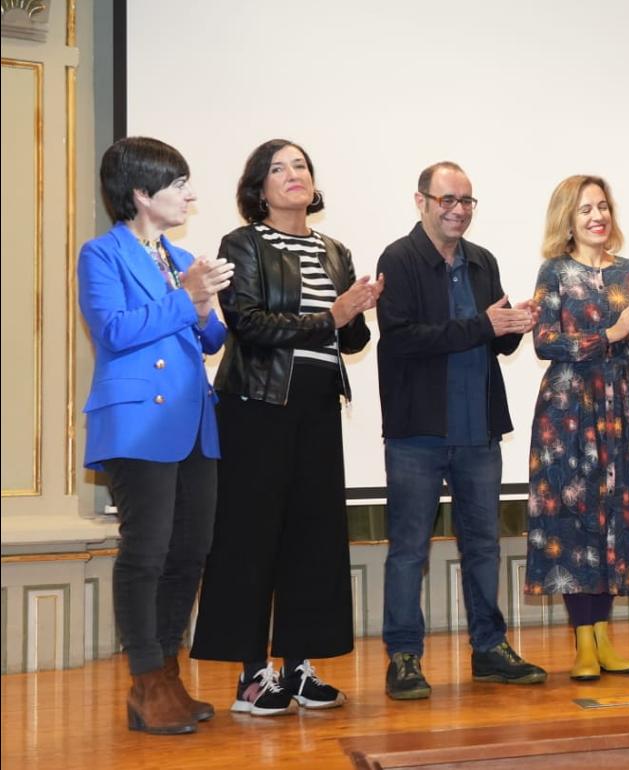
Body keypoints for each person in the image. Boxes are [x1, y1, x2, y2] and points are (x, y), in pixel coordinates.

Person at [190, 139, 382, 715]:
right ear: (259, 187)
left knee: (313, 535)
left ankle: (299, 665)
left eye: (300, 165)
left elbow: (350, 341)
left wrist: (359, 310)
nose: (292, 174)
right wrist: (333, 315)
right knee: (252, 535)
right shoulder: (242, 244)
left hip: (319, 402)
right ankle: (253, 675)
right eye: (278, 168)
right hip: (257, 403)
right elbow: (246, 323)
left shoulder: (333, 250)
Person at [79, 137, 233, 734]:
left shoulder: (180, 255)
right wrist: (185, 297)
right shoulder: (103, 254)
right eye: (178, 185)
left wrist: (205, 305)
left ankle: (167, 673)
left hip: (193, 423)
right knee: (146, 553)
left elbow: (212, 338)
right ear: (141, 193)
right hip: (139, 422)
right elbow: (114, 330)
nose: (190, 195)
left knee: (191, 551)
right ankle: (145, 679)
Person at [376, 161, 546, 700]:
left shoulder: (482, 261)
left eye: (467, 201)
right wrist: (483, 326)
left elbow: (492, 343)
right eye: (448, 199)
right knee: (408, 549)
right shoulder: (398, 260)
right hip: (417, 433)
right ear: (421, 201)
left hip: (478, 432)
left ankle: (490, 649)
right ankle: (404, 656)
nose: (458, 210)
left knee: (484, 546)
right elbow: (401, 338)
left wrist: (516, 326)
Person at [524, 175, 629, 680]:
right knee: (574, 517)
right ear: (569, 218)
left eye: (602, 207)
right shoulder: (555, 271)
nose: (596, 217)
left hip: (620, 405)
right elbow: (544, 341)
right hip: (568, 410)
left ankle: (605, 637)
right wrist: (611, 331)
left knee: (616, 515)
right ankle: (583, 641)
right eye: (585, 210)